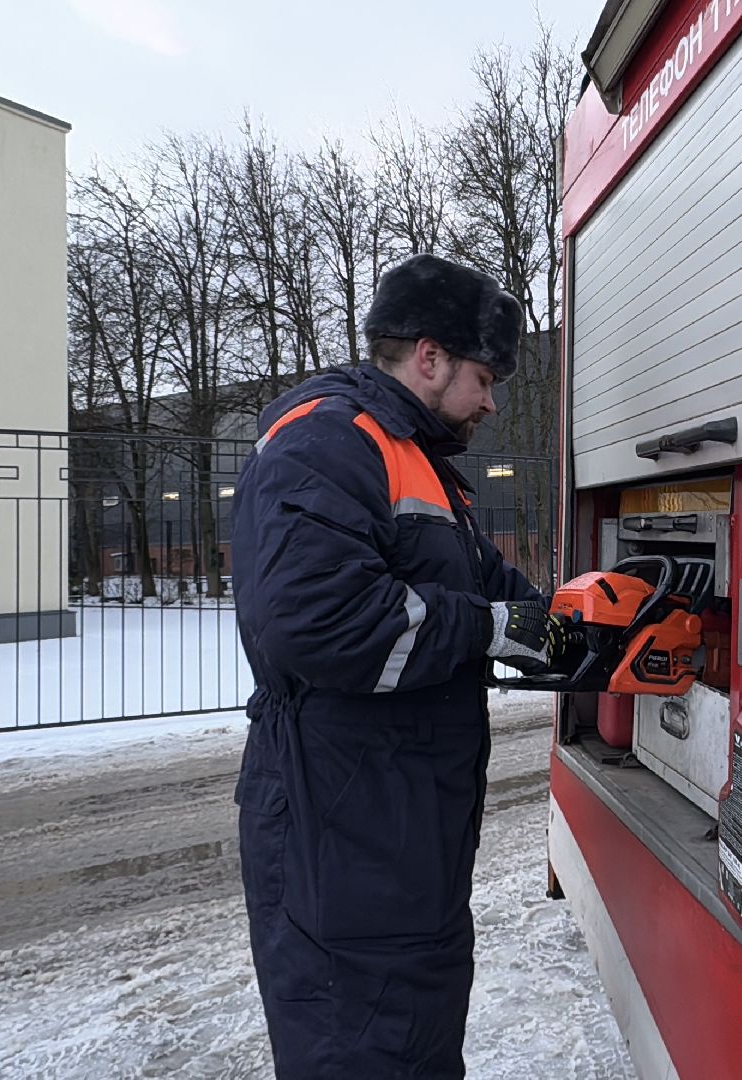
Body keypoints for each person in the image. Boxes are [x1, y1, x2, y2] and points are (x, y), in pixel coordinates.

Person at [230, 254, 562, 1077]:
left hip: (401, 835)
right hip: (341, 831)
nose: (491, 402)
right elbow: (320, 622)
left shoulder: (415, 461)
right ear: (430, 357)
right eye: (485, 378)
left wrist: (572, 628)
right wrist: (492, 629)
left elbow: (485, 587)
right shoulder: (327, 441)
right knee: (361, 1047)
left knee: (414, 1041)